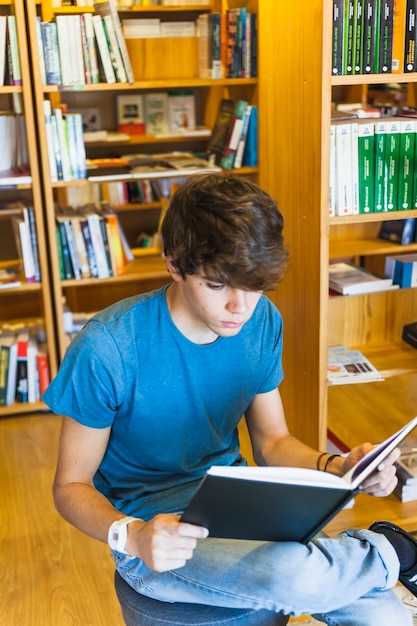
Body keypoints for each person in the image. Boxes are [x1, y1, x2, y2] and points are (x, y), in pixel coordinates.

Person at [44, 174, 417, 626]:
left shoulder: (261, 321)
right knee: (295, 575)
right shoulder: (108, 346)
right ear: (175, 265)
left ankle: (370, 555)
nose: (241, 306)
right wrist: (133, 535)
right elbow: (69, 488)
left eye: (255, 285)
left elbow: (273, 442)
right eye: (218, 285)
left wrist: (338, 468)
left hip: (241, 508)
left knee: (385, 616)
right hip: (158, 535)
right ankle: (395, 549)